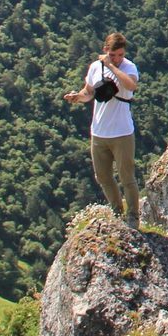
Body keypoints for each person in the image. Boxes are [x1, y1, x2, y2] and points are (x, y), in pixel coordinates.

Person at [62, 31, 141, 228]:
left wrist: (112, 66)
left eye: (121, 55)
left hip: (122, 132)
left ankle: (133, 217)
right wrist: (77, 97)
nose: (118, 58)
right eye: (113, 54)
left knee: (127, 177)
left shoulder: (128, 67)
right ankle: (117, 211)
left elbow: (131, 86)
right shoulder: (95, 68)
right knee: (103, 176)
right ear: (105, 50)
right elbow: (88, 92)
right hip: (99, 132)